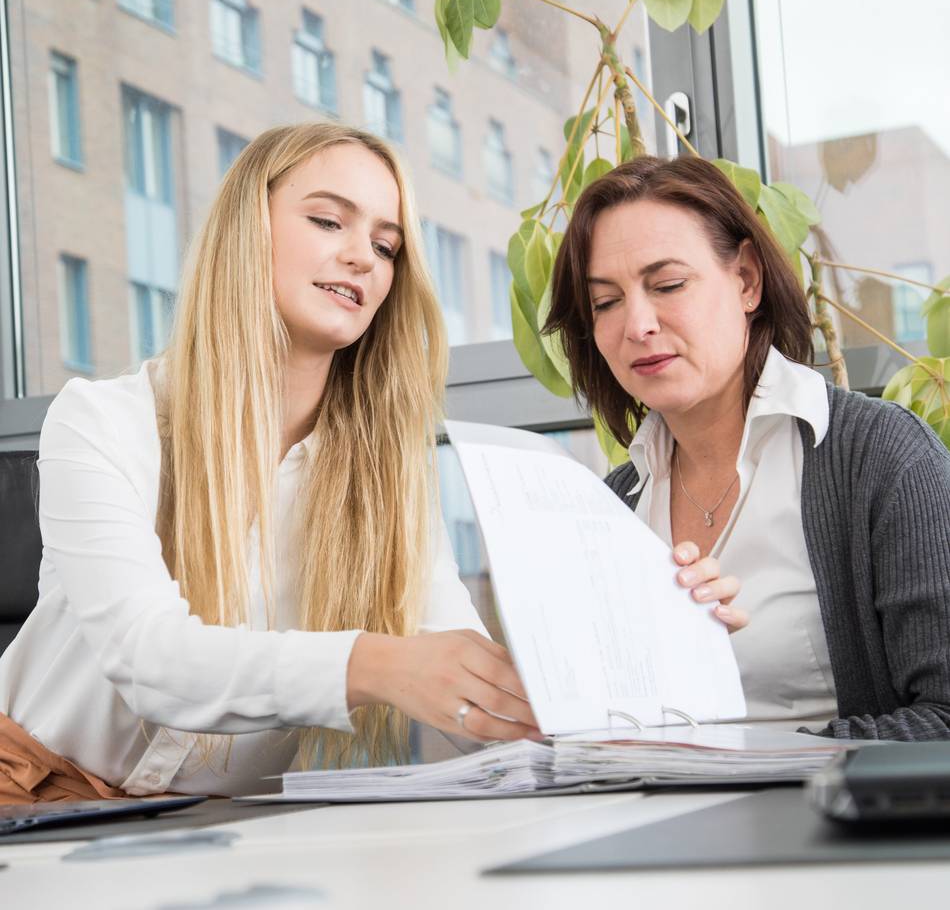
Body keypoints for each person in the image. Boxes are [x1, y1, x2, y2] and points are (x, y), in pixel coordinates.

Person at [0, 125, 733, 803]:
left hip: (210, 838)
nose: (362, 257)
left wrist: (646, 644)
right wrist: (375, 664)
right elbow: (150, 659)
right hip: (21, 808)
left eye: (386, 247)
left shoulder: (384, 478)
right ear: (244, 232)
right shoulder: (104, 422)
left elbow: (461, 681)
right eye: (328, 221)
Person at [544, 154, 950, 741]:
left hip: (824, 825)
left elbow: (944, 720)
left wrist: (761, 762)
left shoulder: (881, 459)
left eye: (668, 285)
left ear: (747, 281)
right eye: (605, 302)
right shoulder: (614, 507)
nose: (637, 324)